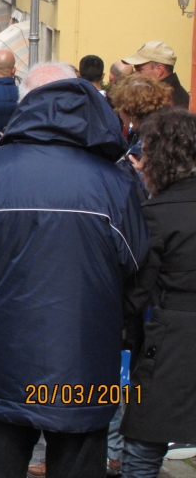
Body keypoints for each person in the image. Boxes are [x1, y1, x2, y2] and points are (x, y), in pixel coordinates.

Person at [0, 62, 149, 478]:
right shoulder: (115, 182)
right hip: (85, 359)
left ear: (25, 104)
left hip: (4, 354)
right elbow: (135, 266)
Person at [120, 108, 196, 477]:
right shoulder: (159, 209)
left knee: (144, 441)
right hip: (173, 330)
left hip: (170, 337)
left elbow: (137, 289)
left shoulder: (157, 212)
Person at [123, 41, 189, 108]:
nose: (135, 75)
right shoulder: (166, 98)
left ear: (159, 70)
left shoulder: (163, 104)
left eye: (139, 70)